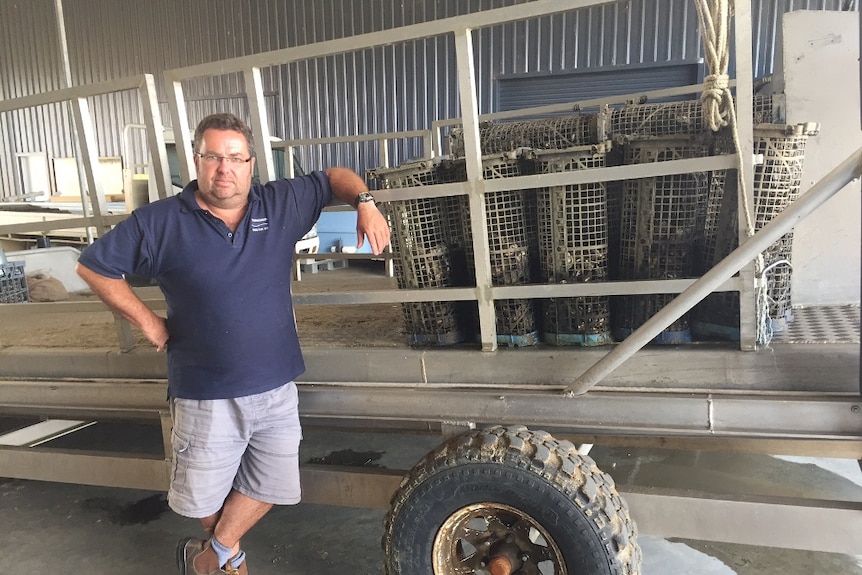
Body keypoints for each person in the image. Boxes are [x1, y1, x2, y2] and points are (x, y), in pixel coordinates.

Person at [76, 113, 390, 575]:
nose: (225, 168)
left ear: (251, 163)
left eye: (236, 158)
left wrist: (364, 202)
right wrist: (147, 322)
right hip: (205, 390)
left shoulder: (279, 203)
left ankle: (216, 556)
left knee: (275, 483)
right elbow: (94, 266)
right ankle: (229, 560)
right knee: (205, 494)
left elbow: (332, 178)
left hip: (276, 384)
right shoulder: (160, 221)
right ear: (197, 162)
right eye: (213, 157)